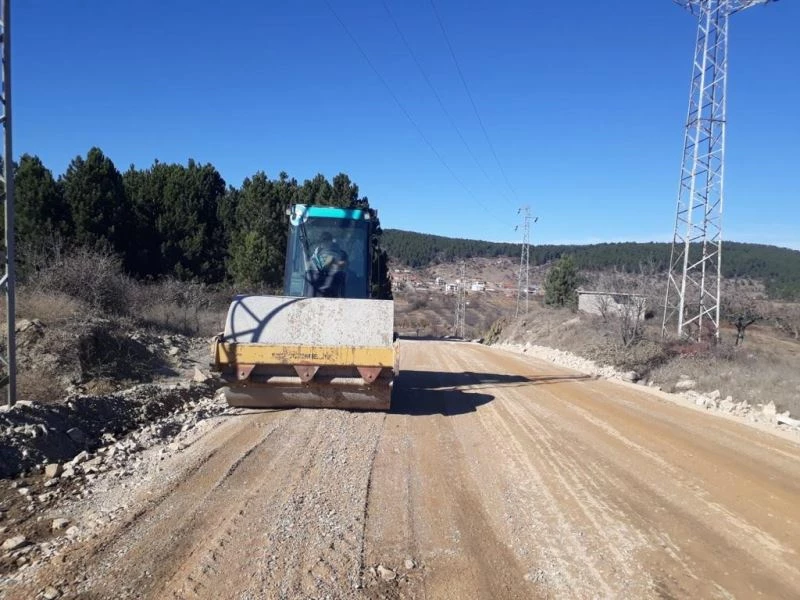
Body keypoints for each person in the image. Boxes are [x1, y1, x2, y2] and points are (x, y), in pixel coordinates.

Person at [311, 232, 348, 297]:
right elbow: (309, 267)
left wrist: (335, 263)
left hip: (335, 285)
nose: (325, 242)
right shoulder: (315, 255)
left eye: (327, 240)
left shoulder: (341, 254)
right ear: (320, 243)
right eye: (323, 240)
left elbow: (343, 265)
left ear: (331, 241)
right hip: (316, 288)